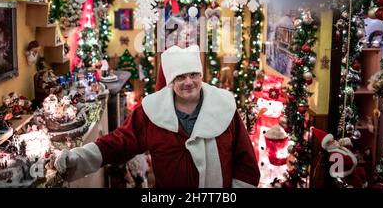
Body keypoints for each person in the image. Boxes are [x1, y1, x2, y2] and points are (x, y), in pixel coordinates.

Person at [54, 45, 260, 188]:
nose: (188, 82)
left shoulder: (223, 106)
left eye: (193, 74)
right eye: (180, 77)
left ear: (200, 75)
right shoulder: (152, 111)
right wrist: (79, 157)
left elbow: (246, 161)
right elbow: (119, 143)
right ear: (171, 80)